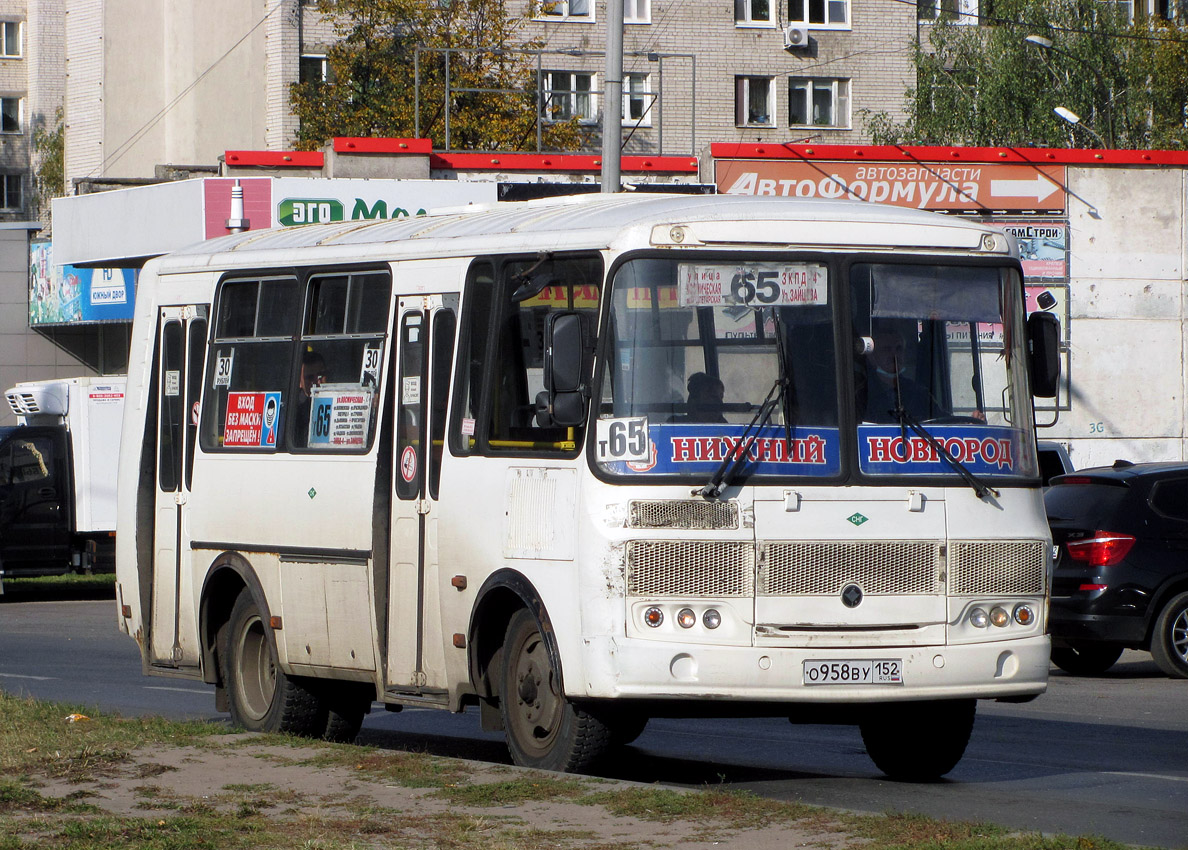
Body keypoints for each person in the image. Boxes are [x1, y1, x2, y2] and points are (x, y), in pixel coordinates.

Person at [858, 327, 934, 423]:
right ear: (872, 358)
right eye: (886, 349)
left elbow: (943, 422)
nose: (894, 355)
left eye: (899, 349)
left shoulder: (919, 393)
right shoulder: (862, 394)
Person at [295, 349, 326, 443]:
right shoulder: (294, 410)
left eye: (321, 375)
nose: (318, 382)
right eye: (310, 377)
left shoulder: (337, 402)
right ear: (299, 382)